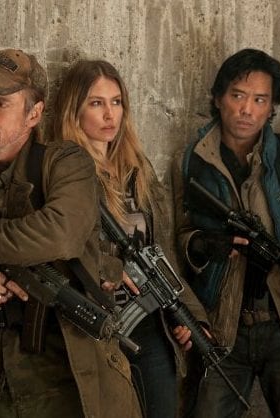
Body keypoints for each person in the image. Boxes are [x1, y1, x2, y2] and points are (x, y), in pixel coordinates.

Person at [0, 49, 142, 418]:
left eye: (1, 103)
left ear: (34, 114)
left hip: (65, 375)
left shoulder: (65, 163)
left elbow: (59, 235)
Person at [171, 48, 280, 417]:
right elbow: (180, 235)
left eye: (259, 100)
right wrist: (203, 245)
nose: (246, 110)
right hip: (224, 326)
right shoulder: (190, 163)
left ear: (272, 108)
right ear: (218, 98)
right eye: (237, 96)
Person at [52, 59, 209, 418]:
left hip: (150, 324)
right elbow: (63, 250)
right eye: (96, 103)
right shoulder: (63, 173)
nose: (110, 114)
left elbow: (162, 255)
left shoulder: (137, 172)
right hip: (94, 327)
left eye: (116, 102)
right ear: (73, 110)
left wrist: (191, 317)